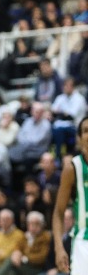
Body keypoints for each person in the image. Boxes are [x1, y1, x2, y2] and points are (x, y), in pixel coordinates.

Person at [53, 116, 88, 274]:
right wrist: (59, 248)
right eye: (86, 131)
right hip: (83, 242)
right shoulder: (73, 168)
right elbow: (59, 212)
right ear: (80, 138)